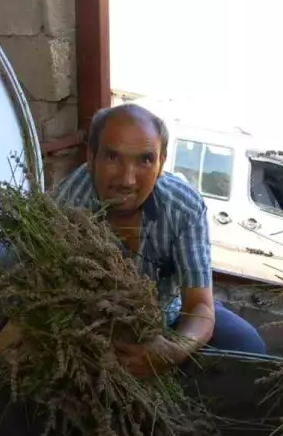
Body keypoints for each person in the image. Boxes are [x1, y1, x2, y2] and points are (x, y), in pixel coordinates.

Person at [47, 102, 267, 376]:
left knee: (248, 347)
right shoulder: (65, 208)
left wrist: (172, 351)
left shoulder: (183, 207)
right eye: (113, 157)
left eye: (145, 160)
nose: (127, 180)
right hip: (99, 329)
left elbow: (199, 305)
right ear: (91, 158)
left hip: (171, 316)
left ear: (162, 163)